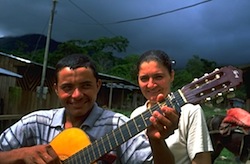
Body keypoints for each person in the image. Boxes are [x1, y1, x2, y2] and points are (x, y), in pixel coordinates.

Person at [0, 53, 180, 164]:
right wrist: (21, 154)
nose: (77, 95)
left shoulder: (119, 125)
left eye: (85, 85)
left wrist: (156, 142)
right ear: (56, 89)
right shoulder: (35, 123)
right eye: (67, 87)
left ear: (98, 85)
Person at [130, 50, 213, 164]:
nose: (150, 85)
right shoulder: (136, 114)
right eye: (144, 78)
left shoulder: (190, 112)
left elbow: (202, 161)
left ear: (171, 76)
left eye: (158, 77)